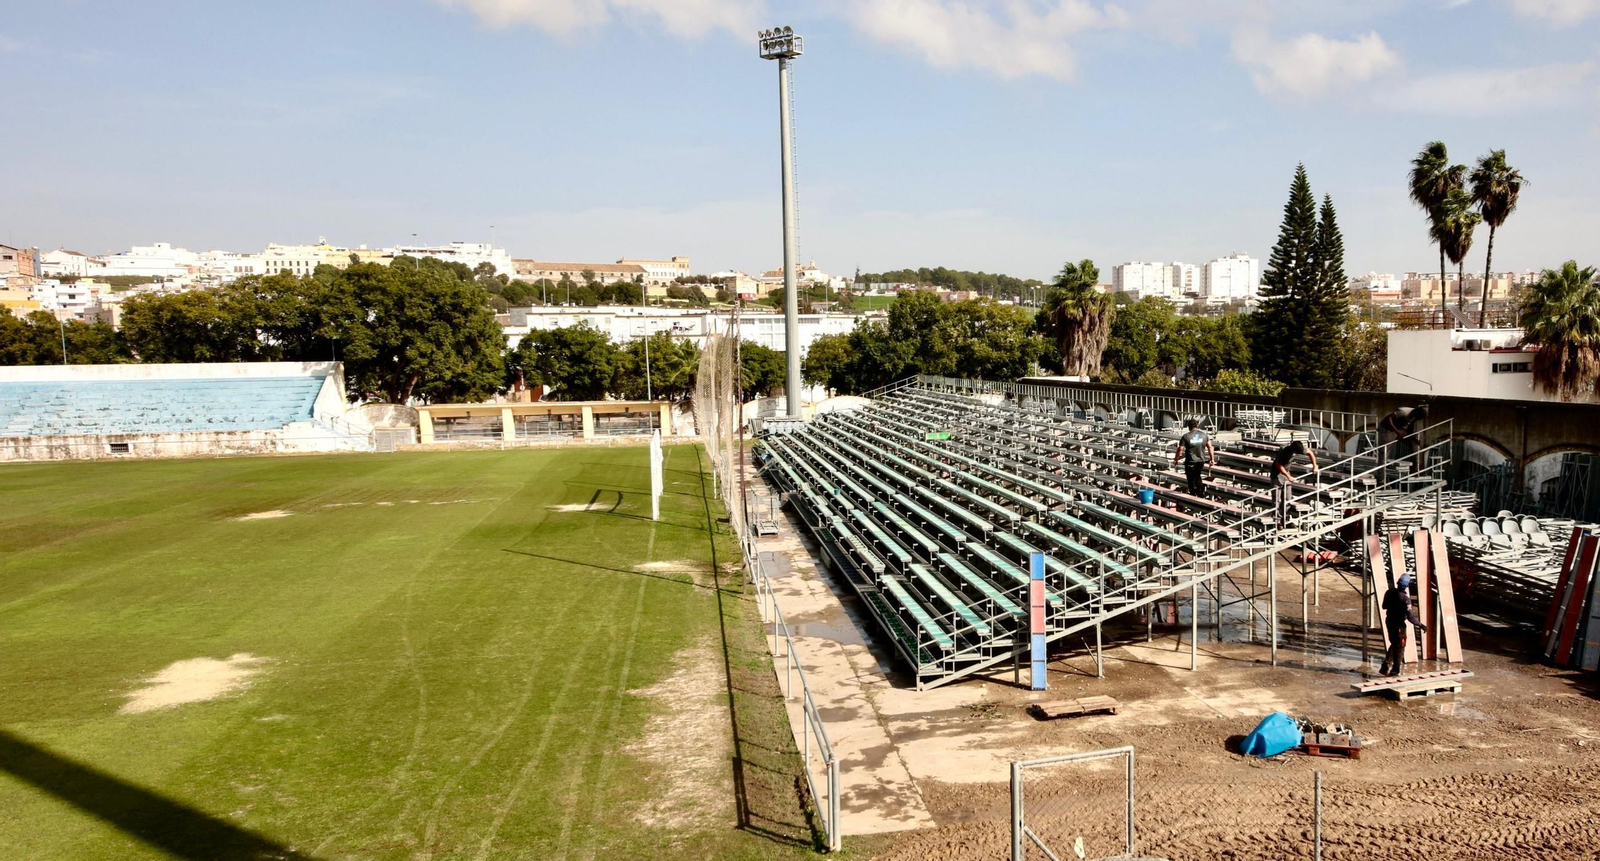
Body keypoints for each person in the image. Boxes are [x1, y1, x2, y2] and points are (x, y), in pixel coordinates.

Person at [1379, 573, 1427, 676]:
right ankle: (1395, 670)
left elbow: (1384, 606)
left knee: (1393, 643)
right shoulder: (1405, 599)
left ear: (1397, 583)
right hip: (1399, 625)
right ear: (1407, 586)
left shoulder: (1389, 592)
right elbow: (1410, 617)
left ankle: (1385, 667)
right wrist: (1420, 625)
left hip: (1389, 621)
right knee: (1400, 646)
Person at [1270, 440, 1319, 528]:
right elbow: (1278, 465)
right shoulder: (1284, 450)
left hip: (1286, 473)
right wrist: (1288, 476)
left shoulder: (1299, 448)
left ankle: (1286, 520)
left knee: (1287, 498)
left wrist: (1314, 465)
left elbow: (1310, 452)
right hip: (1276, 475)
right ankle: (1277, 521)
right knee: (1277, 500)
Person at [1377, 403, 1429, 475]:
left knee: (1414, 445)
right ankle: (1381, 478)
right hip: (1386, 429)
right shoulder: (1403, 412)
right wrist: (1397, 433)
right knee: (1384, 452)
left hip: (1399, 428)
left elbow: (1410, 427)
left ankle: (1415, 470)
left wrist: (1413, 438)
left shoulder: (1416, 416)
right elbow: (1388, 419)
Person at [1171, 418, 1216, 499]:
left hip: (1190, 461)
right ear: (1197, 425)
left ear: (1189, 427)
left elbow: (1180, 449)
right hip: (1200, 460)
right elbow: (1210, 447)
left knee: (1191, 478)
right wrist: (1212, 459)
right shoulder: (1204, 435)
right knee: (1197, 475)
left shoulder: (1186, 436)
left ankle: (1193, 494)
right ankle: (1200, 493)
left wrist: (1176, 459)